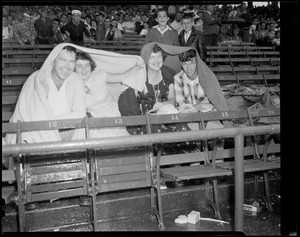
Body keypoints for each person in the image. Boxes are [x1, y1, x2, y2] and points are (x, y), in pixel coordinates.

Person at [4, 43, 87, 146]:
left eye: (71, 62)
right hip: (35, 135)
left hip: (67, 133)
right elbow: (30, 118)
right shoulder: (37, 79)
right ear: (53, 61)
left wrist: (53, 122)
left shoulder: (76, 80)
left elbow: (80, 113)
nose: (67, 66)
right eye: (62, 60)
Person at [118, 43, 190, 135]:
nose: (156, 60)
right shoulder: (138, 77)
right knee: (158, 132)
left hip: (165, 118)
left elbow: (172, 99)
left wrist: (163, 104)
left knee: (182, 128)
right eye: (152, 57)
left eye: (159, 56)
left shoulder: (167, 75)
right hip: (144, 122)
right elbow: (130, 110)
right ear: (146, 59)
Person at [74, 51, 144, 138]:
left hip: (112, 116)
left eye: (87, 65)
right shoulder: (72, 85)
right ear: (74, 68)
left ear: (91, 66)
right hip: (93, 122)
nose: (84, 69)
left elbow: (122, 76)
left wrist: (137, 67)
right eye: (79, 66)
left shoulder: (100, 76)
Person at [174, 48, 231, 129]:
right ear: (180, 63)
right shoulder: (178, 78)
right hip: (189, 118)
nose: (189, 68)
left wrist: (209, 106)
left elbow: (218, 102)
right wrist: (191, 107)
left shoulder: (206, 77)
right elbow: (180, 101)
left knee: (216, 129)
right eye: (185, 64)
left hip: (209, 116)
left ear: (197, 62)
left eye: (192, 63)